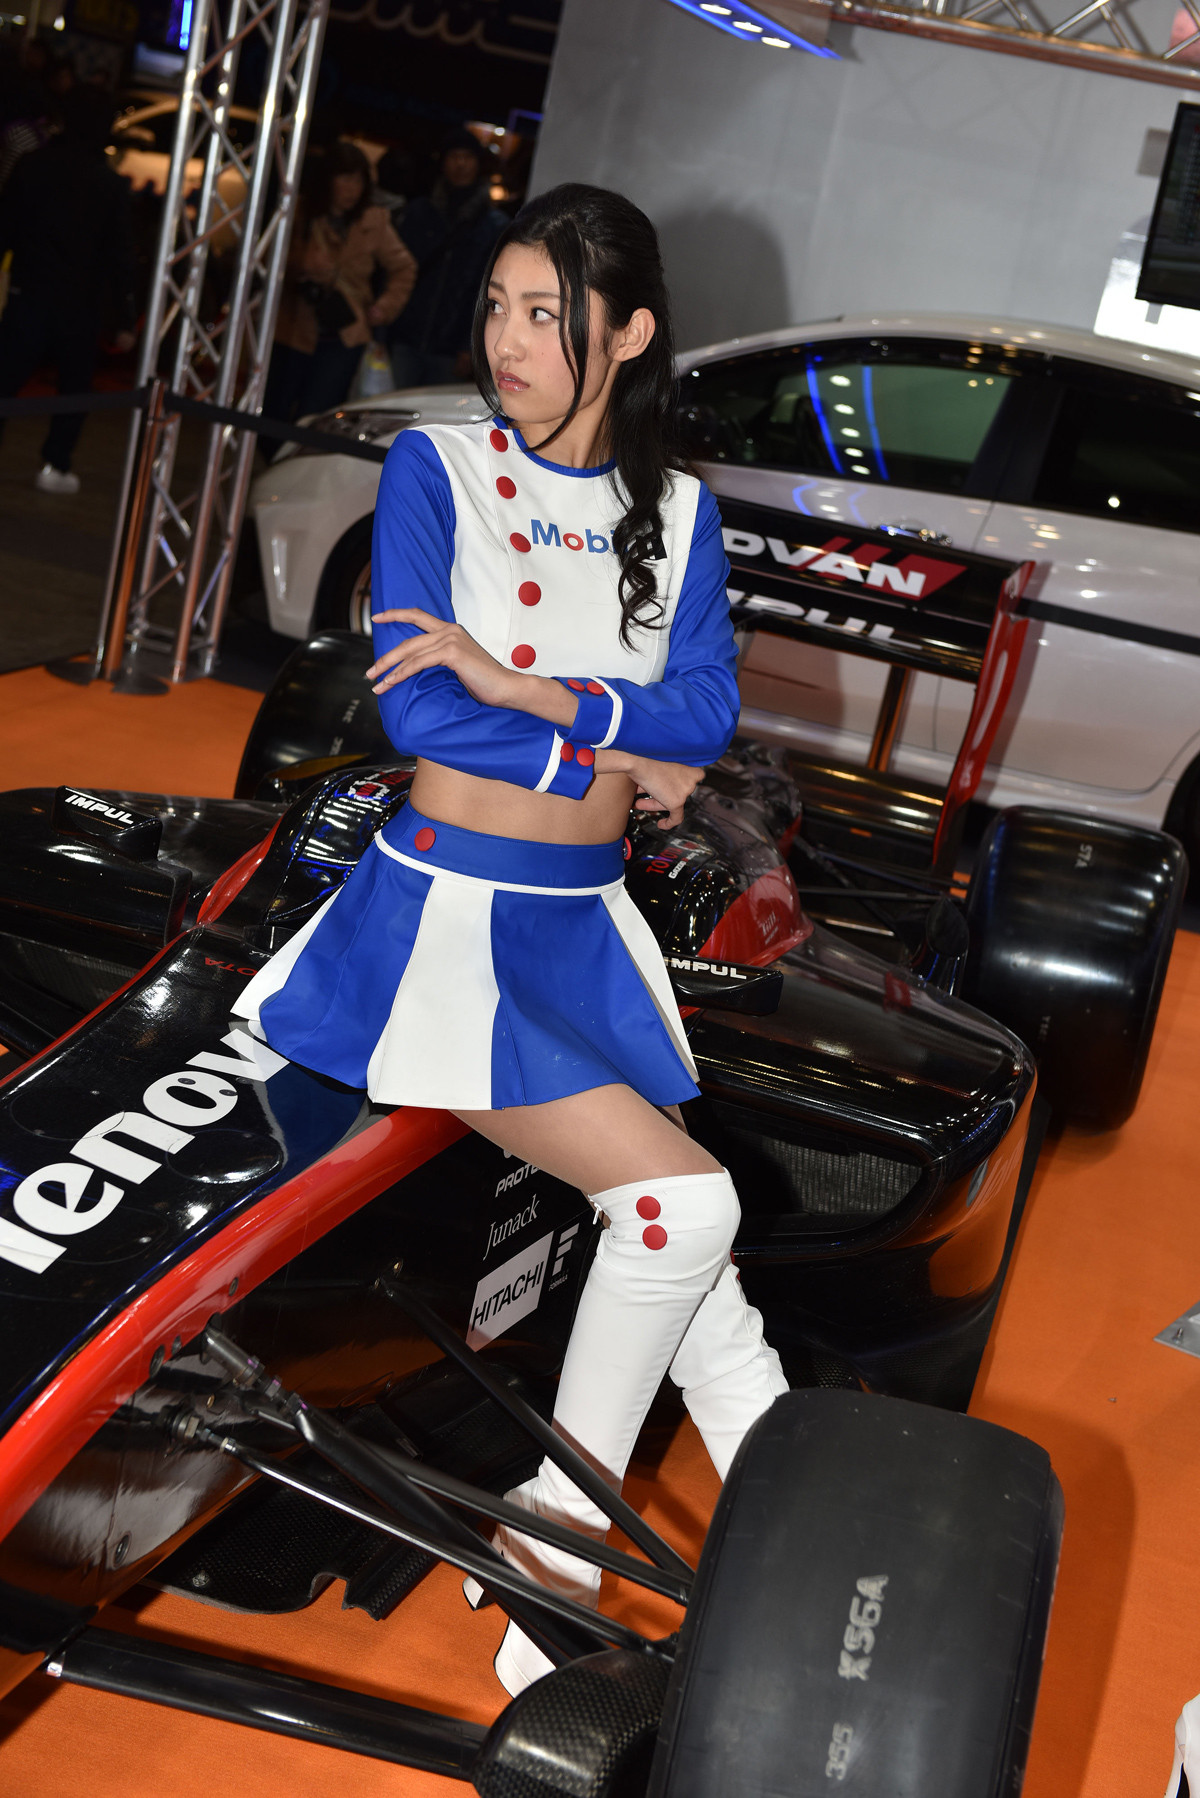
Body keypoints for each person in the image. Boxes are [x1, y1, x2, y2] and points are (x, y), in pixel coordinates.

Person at [232, 182, 788, 1696]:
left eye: (547, 313)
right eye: (497, 306)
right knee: (677, 1209)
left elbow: (704, 714)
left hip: (583, 921)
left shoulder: (681, 514)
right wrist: (609, 746)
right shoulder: (440, 468)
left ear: (633, 333)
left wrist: (536, 692)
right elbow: (421, 706)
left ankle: (806, 1561)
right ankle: (554, 1546)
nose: (508, 339)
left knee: (706, 1285)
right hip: (450, 922)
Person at [0, 84, 136, 495]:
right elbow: (119, 256)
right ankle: (56, 463)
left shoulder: (33, 166)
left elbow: (6, 226)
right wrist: (125, 318)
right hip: (79, 303)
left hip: (30, 291)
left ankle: (56, 462)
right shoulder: (109, 185)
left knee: (6, 378)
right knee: (74, 388)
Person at [265, 140, 416, 425]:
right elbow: (267, 258)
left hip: (345, 334)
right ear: (328, 180)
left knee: (318, 417)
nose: (352, 189)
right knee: (274, 410)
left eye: (359, 181)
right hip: (293, 328)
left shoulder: (374, 219)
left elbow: (404, 267)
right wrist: (301, 265)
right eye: (345, 179)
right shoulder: (300, 212)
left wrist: (384, 308)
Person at [388, 126, 507, 388]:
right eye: (454, 156)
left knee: (435, 411)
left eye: (468, 157)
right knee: (393, 405)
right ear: (443, 162)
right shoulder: (420, 211)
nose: (460, 164)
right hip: (405, 335)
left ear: (478, 163)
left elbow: (488, 290)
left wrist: (469, 345)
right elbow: (395, 271)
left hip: (451, 348)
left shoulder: (493, 225)